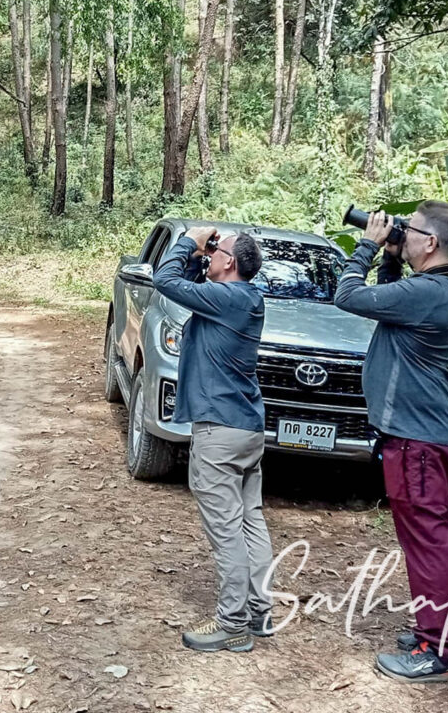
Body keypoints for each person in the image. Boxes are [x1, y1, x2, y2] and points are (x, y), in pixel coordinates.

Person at [333, 202, 448, 683]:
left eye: (409, 230)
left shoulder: (429, 292)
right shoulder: (436, 290)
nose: (402, 233)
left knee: (427, 543)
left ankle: (439, 649)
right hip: (432, 436)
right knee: (441, 538)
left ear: (430, 242)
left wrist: (366, 246)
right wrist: (391, 255)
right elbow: (390, 300)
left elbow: (348, 296)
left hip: (418, 441)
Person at [152, 225, 276, 653]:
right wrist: (198, 257)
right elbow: (183, 283)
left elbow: (165, 281)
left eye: (216, 251)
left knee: (226, 530)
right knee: (249, 520)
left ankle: (232, 624)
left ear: (231, 262)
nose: (210, 254)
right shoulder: (241, 299)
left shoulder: (227, 298)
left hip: (220, 432)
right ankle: (258, 610)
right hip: (245, 427)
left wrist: (189, 241)